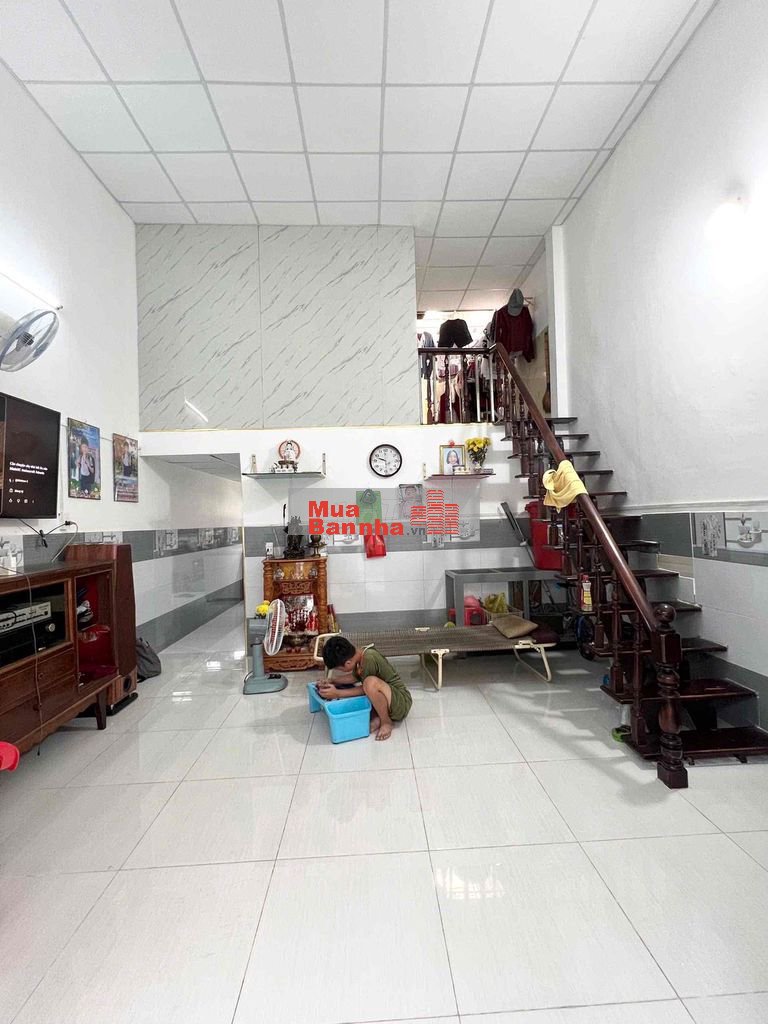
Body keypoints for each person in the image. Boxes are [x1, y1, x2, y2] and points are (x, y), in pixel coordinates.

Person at [319, 635, 412, 740]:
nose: (341, 671)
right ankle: (379, 716)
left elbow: (366, 688)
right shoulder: (358, 656)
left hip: (401, 702)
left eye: (340, 669)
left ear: (348, 663)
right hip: (389, 697)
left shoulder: (369, 658)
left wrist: (338, 693)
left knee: (369, 683)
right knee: (368, 685)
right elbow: (355, 677)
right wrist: (333, 680)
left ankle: (386, 722)